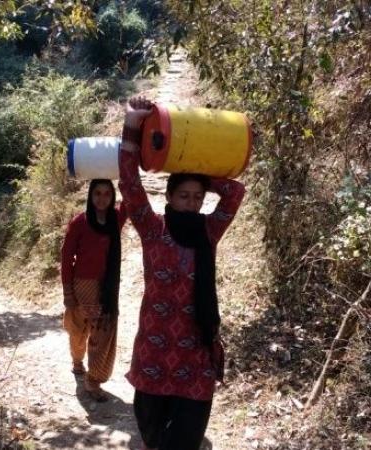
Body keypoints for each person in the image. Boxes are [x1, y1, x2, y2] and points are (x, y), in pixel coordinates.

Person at [119, 97, 246, 450]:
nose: (191, 203)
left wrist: (200, 170)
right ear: (170, 198)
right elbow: (129, 182)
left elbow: (235, 192)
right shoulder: (152, 229)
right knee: (151, 434)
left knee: (185, 439)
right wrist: (132, 125)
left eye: (196, 197)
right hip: (155, 352)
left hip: (195, 354)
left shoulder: (208, 232)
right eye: (184, 196)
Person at [61, 178, 127, 402]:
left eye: (107, 194)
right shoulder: (80, 222)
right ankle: (77, 361)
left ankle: (93, 380)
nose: (102, 198)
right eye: (97, 193)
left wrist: (128, 172)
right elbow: (67, 257)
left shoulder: (116, 219)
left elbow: (130, 200)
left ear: (113, 196)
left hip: (108, 288)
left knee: (103, 331)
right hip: (84, 285)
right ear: (90, 195)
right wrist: (68, 294)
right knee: (80, 330)